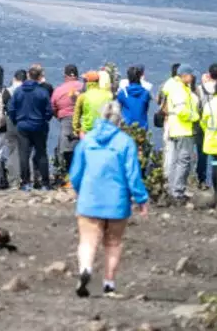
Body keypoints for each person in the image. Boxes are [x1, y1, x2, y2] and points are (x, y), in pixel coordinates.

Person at [69, 101, 149, 298]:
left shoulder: (87, 141)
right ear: (119, 120)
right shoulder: (125, 142)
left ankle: (85, 269)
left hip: (90, 198)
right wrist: (141, 199)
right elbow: (133, 175)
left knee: (87, 240)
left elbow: (76, 174)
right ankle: (109, 284)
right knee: (113, 242)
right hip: (117, 200)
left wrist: (80, 191)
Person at [9, 64, 54, 191]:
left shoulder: (18, 91)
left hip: (22, 126)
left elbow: (11, 109)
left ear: (28, 75)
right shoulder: (42, 92)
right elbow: (49, 110)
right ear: (39, 77)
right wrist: (44, 119)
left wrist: (16, 121)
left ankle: (25, 183)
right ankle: (45, 183)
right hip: (39, 125)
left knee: (24, 154)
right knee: (41, 154)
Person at [162, 67, 201, 201]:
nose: (192, 78)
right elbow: (181, 111)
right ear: (184, 75)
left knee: (176, 160)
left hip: (177, 129)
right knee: (183, 161)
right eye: (191, 75)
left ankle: (173, 189)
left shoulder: (180, 87)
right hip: (182, 129)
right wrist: (195, 116)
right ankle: (177, 191)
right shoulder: (179, 89)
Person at [194, 64, 217, 189]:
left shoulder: (201, 88)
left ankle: (202, 180)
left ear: (209, 74)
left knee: (202, 154)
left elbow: (196, 104)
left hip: (203, 123)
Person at [52, 65, 84, 177]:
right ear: (77, 75)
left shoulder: (59, 90)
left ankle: (64, 173)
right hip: (82, 120)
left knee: (64, 148)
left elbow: (53, 107)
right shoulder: (83, 87)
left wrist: (59, 117)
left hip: (65, 120)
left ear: (65, 76)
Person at [74, 71, 114, 138]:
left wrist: (77, 130)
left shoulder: (82, 97)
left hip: (87, 132)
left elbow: (76, 118)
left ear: (87, 82)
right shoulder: (108, 95)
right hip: (104, 131)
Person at [116, 66, 152, 130]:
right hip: (142, 128)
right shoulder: (146, 93)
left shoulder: (123, 93)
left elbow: (118, 109)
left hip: (127, 127)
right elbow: (146, 108)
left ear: (128, 78)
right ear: (140, 77)